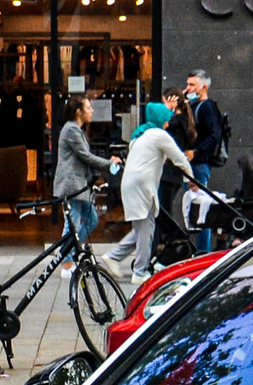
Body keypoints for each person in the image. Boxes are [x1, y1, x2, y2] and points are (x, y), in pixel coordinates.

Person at [111, 103, 192, 280]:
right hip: (142, 187)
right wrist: (190, 180)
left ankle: (113, 256)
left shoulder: (141, 135)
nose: (168, 123)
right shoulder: (159, 135)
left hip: (130, 185)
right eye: (166, 119)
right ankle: (139, 272)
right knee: (147, 229)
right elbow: (179, 159)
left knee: (142, 228)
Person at [54, 105, 115, 251]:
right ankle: (67, 261)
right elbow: (86, 157)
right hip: (72, 185)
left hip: (80, 186)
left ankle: (69, 250)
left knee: (91, 219)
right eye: (88, 107)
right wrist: (110, 164)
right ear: (78, 111)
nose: (92, 110)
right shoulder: (71, 129)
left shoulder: (76, 130)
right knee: (72, 224)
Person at [186, 71, 226, 253]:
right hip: (194, 162)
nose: (188, 89)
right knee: (196, 206)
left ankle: (203, 250)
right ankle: (201, 249)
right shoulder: (194, 106)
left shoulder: (207, 107)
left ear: (204, 87)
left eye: (192, 85)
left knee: (200, 207)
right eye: (188, 84)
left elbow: (213, 135)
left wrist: (196, 151)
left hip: (199, 163)